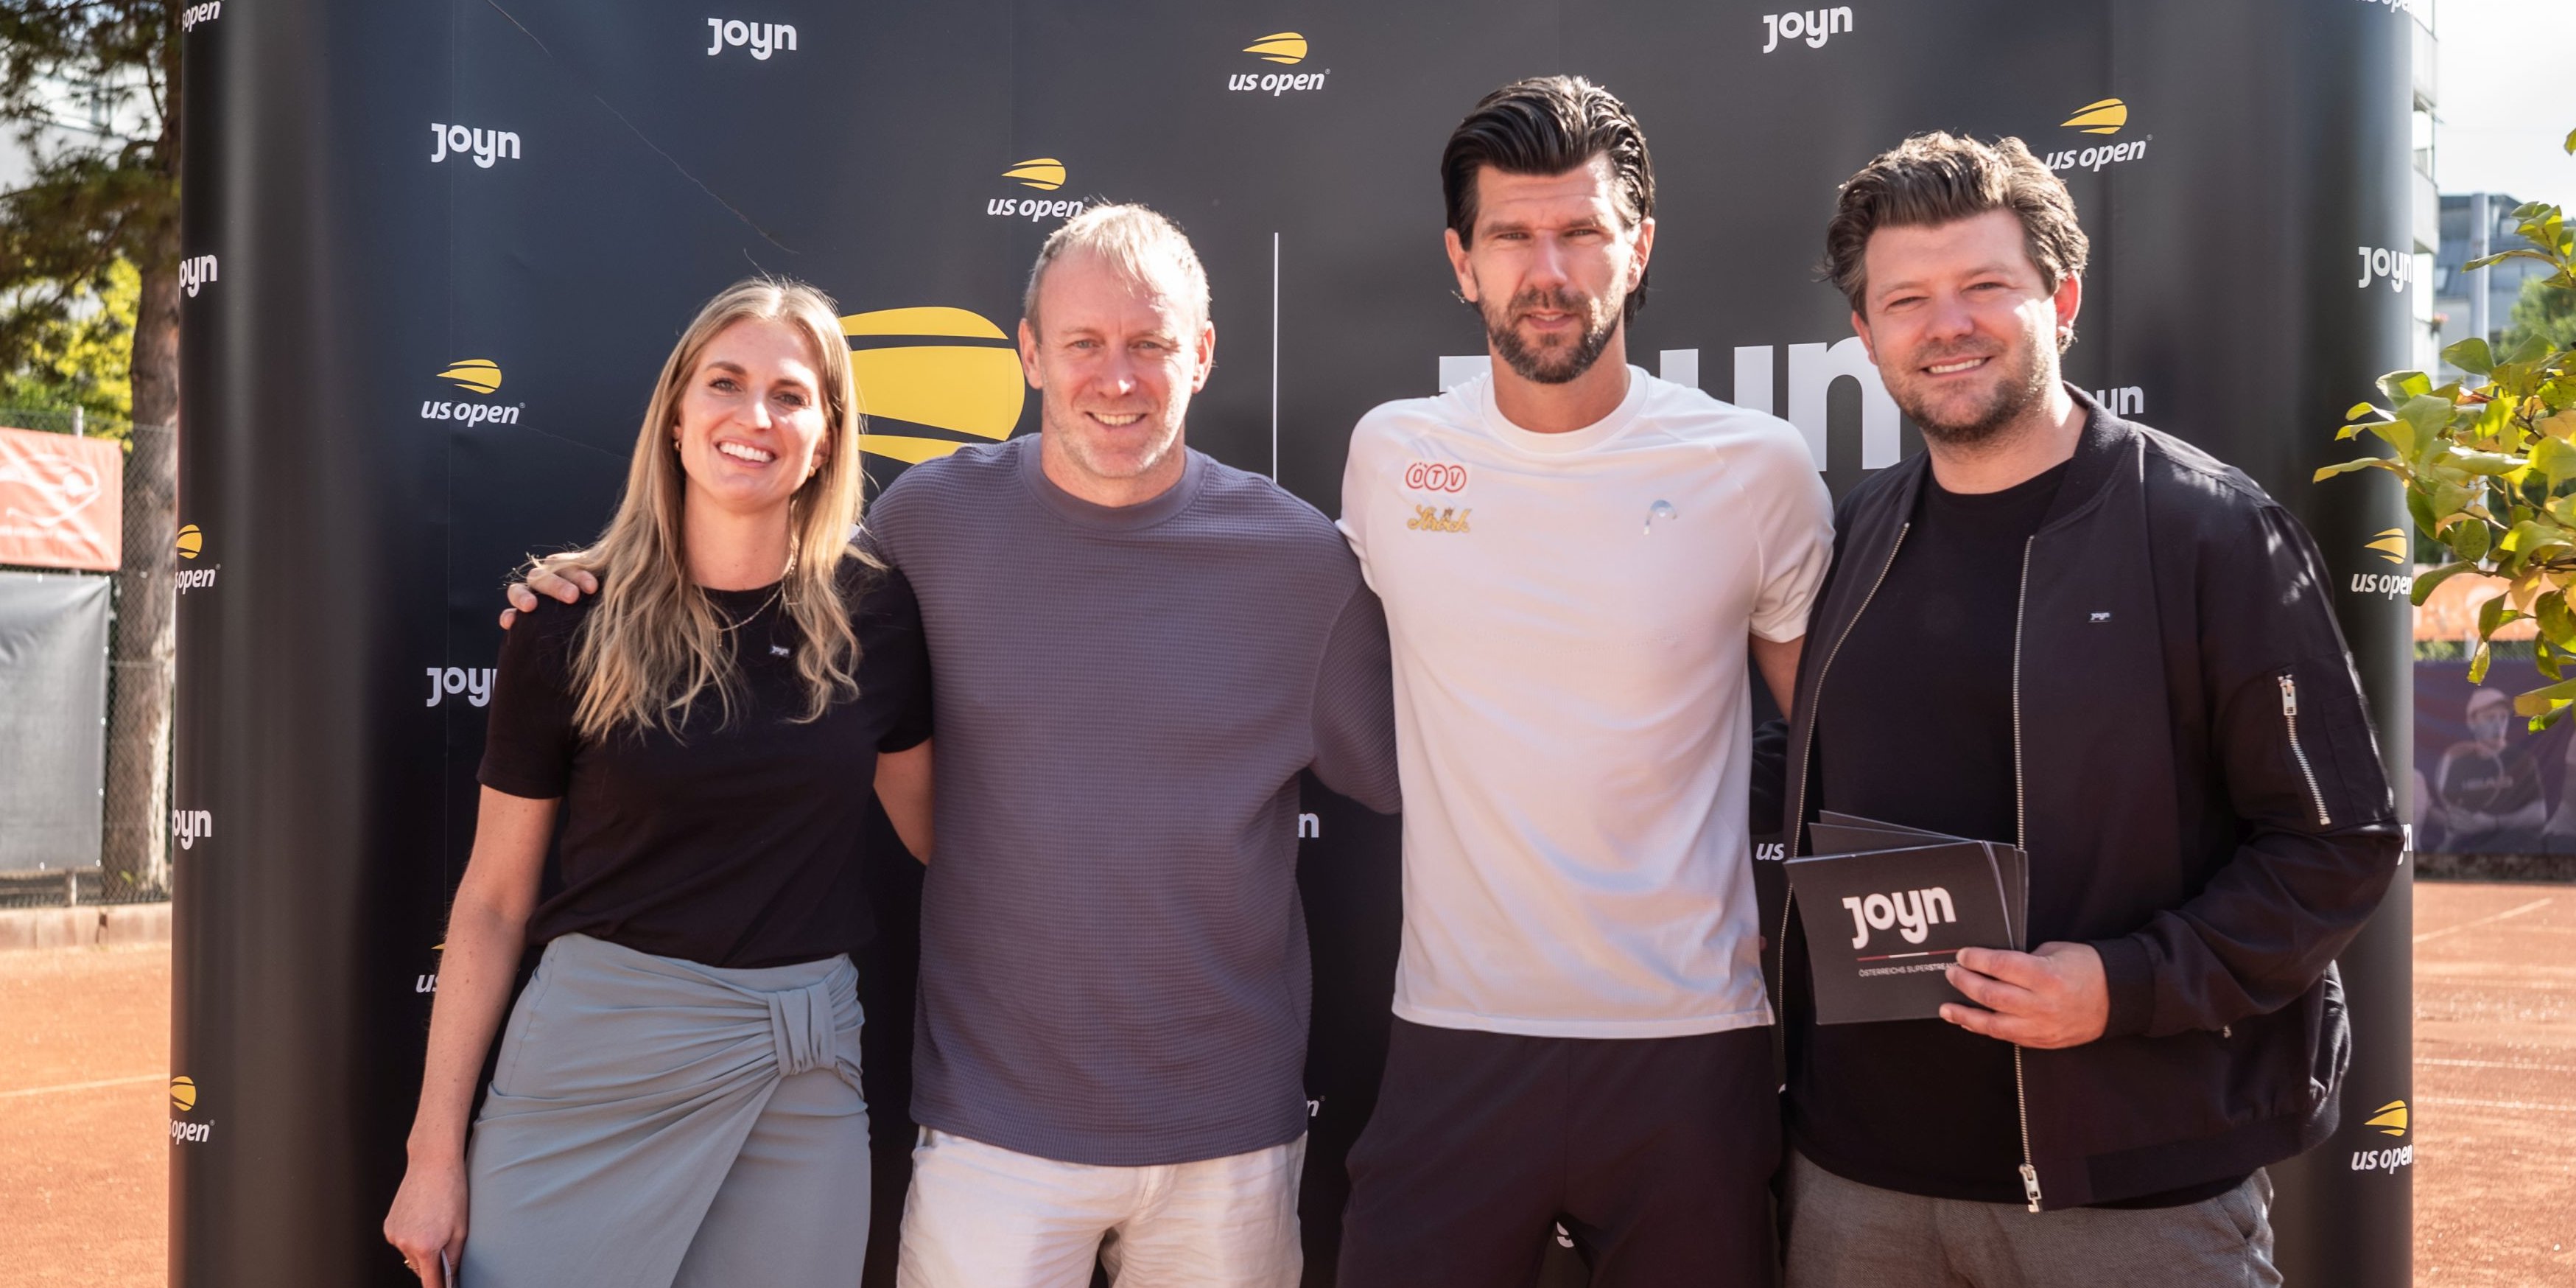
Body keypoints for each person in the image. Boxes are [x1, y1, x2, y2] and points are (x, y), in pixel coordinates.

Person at [510, 205, 1401, 1287]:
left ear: (1202, 353)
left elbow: (1431, 775)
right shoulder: (928, 524)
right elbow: (758, 583)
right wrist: (594, 587)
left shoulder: (1299, 564)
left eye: (1150, 343)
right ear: (1029, 352)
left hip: (1229, 1136)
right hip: (991, 1129)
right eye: (1082, 342)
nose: (1116, 378)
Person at [1766, 132, 2402, 1287]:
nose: (1945, 325)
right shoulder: (1854, 531)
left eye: (1983, 286)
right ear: (1864, 333)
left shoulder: (2210, 530)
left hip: (2127, 1195)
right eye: (1905, 300)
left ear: (2060, 301)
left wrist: (2125, 985)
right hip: (1858, 1186)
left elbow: (2336, 842)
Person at [1331, 77, 1833, 1287]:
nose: (1546, 271)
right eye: (1511, 235)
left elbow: (1836, 745)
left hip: (1689, 1045)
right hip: (1452, 1036)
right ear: (1461, 261)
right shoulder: (1392, 455)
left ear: (1638, 247)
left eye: (1581, 231)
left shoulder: (1755, 467)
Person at [383, 278, 934, 1288]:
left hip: (801, 1068)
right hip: (594, 1062)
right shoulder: (566, 621)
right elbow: (495, 901)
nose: (753, 415)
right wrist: (432, 1153)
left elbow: (944, 834)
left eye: (790, 395)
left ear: (825, 438)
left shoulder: (874, 618)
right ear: (676, 417)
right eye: (724, 382)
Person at [2438, 685, 2546, 850]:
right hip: (2470, 847)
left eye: (2503, 717)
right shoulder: (2459, 765)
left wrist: (2494, 823)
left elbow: (2539, 814)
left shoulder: (2523, 760)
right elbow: (2452, 816)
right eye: (2490, 718)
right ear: (2472, 723)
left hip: (2515, 846)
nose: (2498, 725)